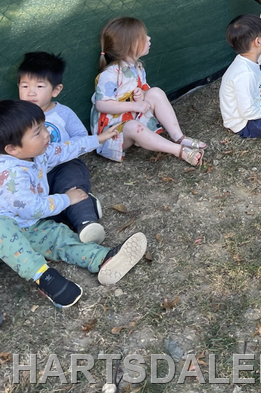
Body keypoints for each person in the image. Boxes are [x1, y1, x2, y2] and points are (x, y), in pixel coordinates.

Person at [0, 99, 147, 308]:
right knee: (4, 231)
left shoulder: (36, 155)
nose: (46, 134)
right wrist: (68, 198)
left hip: (30, 225)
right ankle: (44, 277)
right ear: (12, 149)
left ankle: (103, 259)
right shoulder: (10, 175)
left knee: (60, 236)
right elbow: (34, 207)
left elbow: (66, 149)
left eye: (43, 127)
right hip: (8, 229)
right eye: (37, 132)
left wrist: (99, 138)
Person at [91, 17, 205, 166]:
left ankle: (178, 136)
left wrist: (142, 95)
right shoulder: (110, 74)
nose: (149, 38)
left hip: (132, 116)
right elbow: (102, 105)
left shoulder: (137, 67)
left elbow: (145, 89)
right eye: (143, 37)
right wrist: (133, 106)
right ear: (130, 46)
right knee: (132, 126)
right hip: (113, 132)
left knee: (155, 92)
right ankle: (179, 150)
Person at [17, 52, 104, 243]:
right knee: (35, 207)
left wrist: (60, 149)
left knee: (70, 185)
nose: (31, 92)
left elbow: (82, 139)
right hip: (32, 172)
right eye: (25, 86)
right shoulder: (16, 117)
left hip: (64, 165)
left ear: (56, 90)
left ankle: (86, 222)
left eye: (39, 86)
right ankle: (82, 205)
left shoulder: (63, 113)